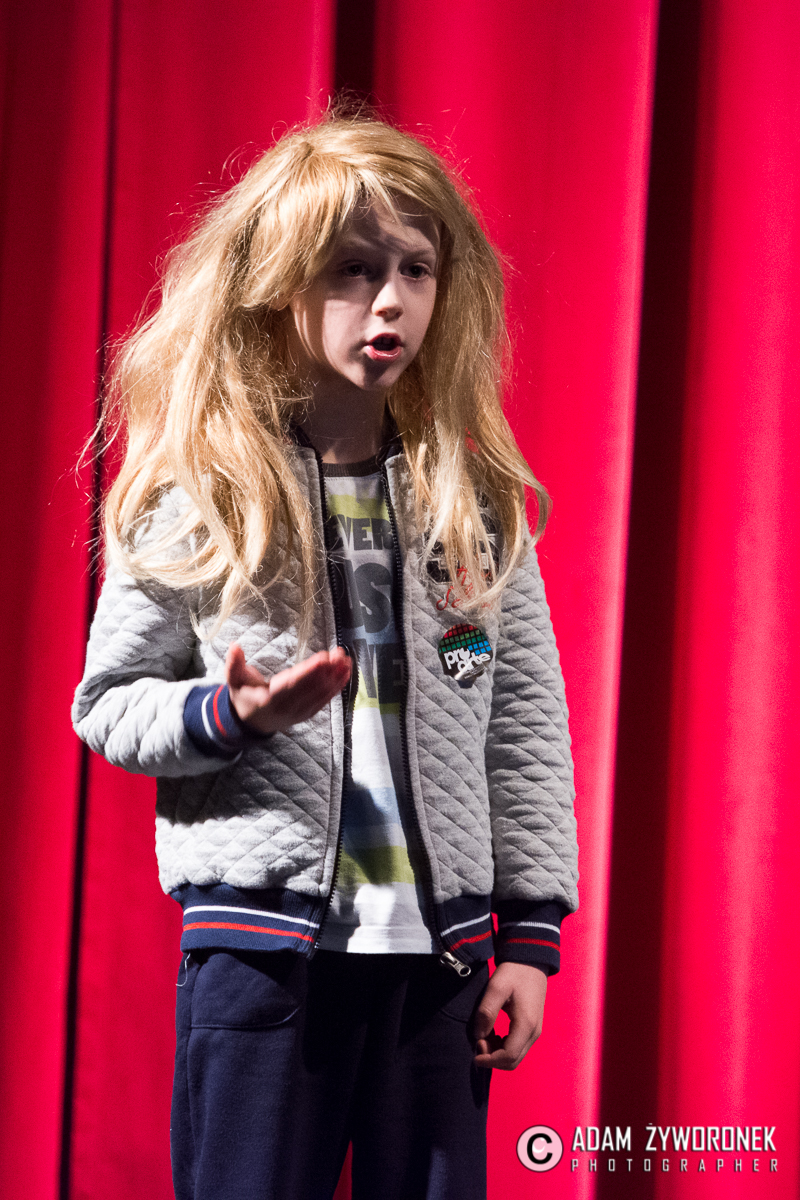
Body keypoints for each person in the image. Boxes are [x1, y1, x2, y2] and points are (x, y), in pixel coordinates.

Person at [72, 115, 578, 1200]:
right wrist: (229, 716)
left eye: (414, 269)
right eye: (352, 269)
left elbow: (524, 724)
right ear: (278, 284)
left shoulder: (475, 506)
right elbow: (108, 703)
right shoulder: (202, 495)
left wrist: (529, 943)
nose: (389, 300)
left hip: (440, 969)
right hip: (262, 962)